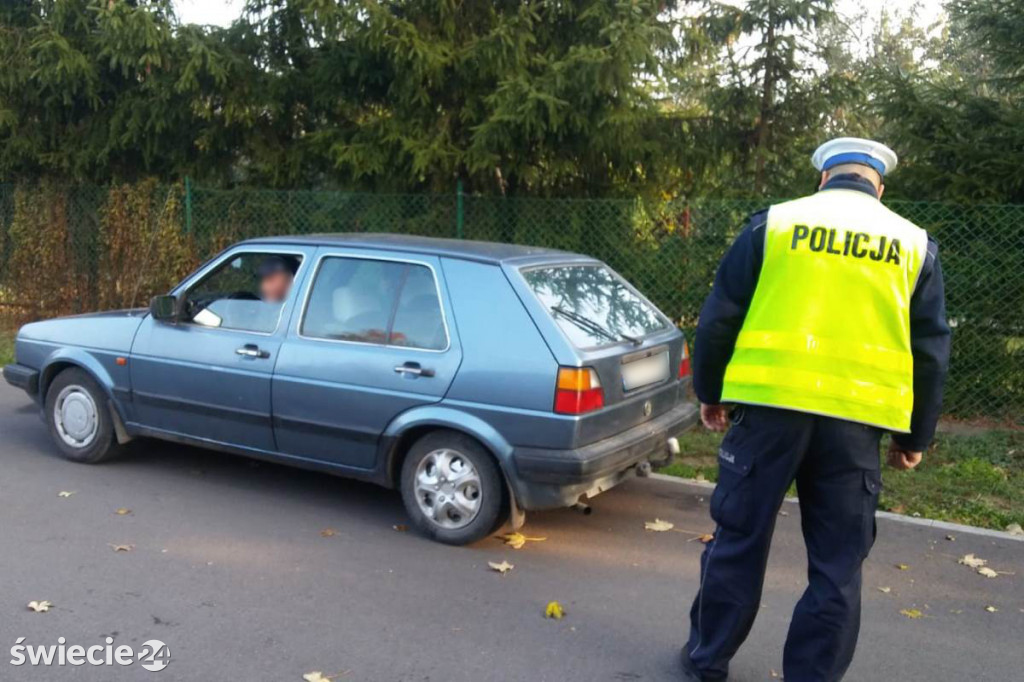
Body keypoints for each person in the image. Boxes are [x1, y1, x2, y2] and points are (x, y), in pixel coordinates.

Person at [681, 138, 951, 682]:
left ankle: (706, 663)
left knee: (738, 541)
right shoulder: (914, 244)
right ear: (879, 186)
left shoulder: (773, 226)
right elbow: (930, 350)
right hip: (855, 426)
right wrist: (914, 437)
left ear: (823, 179)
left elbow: (718, 318)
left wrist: (711, 393)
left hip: (767, 416)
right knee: (836, 567)